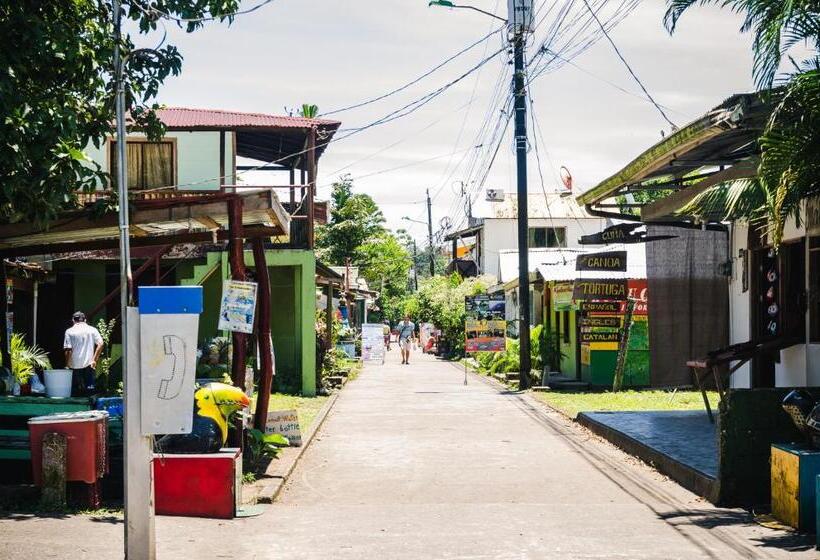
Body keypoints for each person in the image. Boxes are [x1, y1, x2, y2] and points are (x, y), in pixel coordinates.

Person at [64, 311, 104, 396]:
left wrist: (67, 364)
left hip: (73, 365)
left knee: (74, 393)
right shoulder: (92, 330)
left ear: (73, 320)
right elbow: (101, 344)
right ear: (85, 320)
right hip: (89, 364)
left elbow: (68, 350)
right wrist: (94, 360)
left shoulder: (69, 331)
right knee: (90, 393)